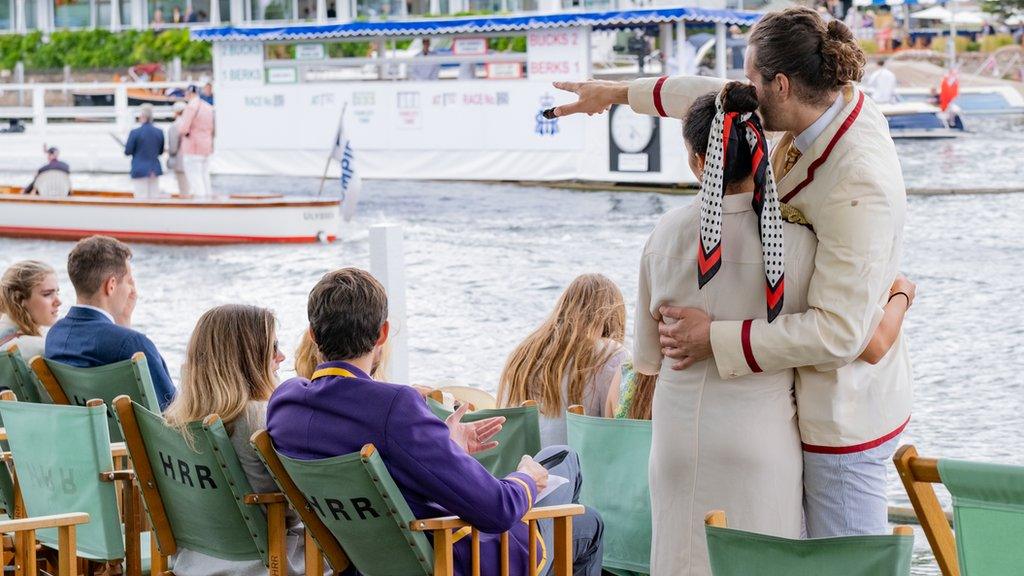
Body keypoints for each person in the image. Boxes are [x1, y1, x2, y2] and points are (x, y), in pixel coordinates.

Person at [550, 6, 913, 540]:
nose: (742, 90)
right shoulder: (820, 104)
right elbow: (714, 97)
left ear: (782, 85)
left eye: (751, 79)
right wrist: (616, 94)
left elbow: (842, 333)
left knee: (843, 566)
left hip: (843, 419)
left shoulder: (859, 180)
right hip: (791, 412)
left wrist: (713, 336)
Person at [267, 268, 604, 576]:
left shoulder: (285, 404)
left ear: (312, 334)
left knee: (562, 459)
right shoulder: (394, 408)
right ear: (382, 334)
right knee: (584, 512)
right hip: (450, 557)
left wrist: (443, 443)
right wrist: (527, 479)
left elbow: (369, 442)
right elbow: (497, 510)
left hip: (367, 560)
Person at [164, 304, 325, 575]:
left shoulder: (176, 421)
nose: (282, 357)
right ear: (249, 357)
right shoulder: (259, 417)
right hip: (262, 561)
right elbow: (290, 512)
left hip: (194, 559)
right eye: (273, 347)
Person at [45, 235, 176, 410]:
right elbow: (172, 410)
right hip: (130, 438)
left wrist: (123, 321)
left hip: (89, 435)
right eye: (129, 281)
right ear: (111, 285)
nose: (132, 290)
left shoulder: (55, 335)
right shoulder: (133, 344)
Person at [497, 273, 628, 447]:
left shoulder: (522, 353)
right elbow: (616, 431)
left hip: (521, 469)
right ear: (612, 317)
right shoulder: (610, 354)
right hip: (575, 470)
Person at [0, 261, 62, 361]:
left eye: (57, 293)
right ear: (18, 299)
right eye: (47, 294)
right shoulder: (38, 348)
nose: (59, 302)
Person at [178, 85, 215, 197]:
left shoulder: (191, 107)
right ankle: (209, 201)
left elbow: (183, 129)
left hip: (193, 148)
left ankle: (201, 204)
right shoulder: (208, 107)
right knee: (205, 177)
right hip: (206, 147)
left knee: (195, 178)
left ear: (190, 93)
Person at [125, 104, 165, 199]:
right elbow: (160, 151)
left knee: (140, 197)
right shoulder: (159, 132)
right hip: (154, 169)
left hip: (139, 169)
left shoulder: (135, 132)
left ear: (142, 116)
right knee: (154, 197)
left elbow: (127, 151)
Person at [166, 101, 190, 196]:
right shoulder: (191, 124)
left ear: (176, 112)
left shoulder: (175, 126)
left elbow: (173, 148)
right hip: (192, 159)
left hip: (180, 161)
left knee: (183, 189)